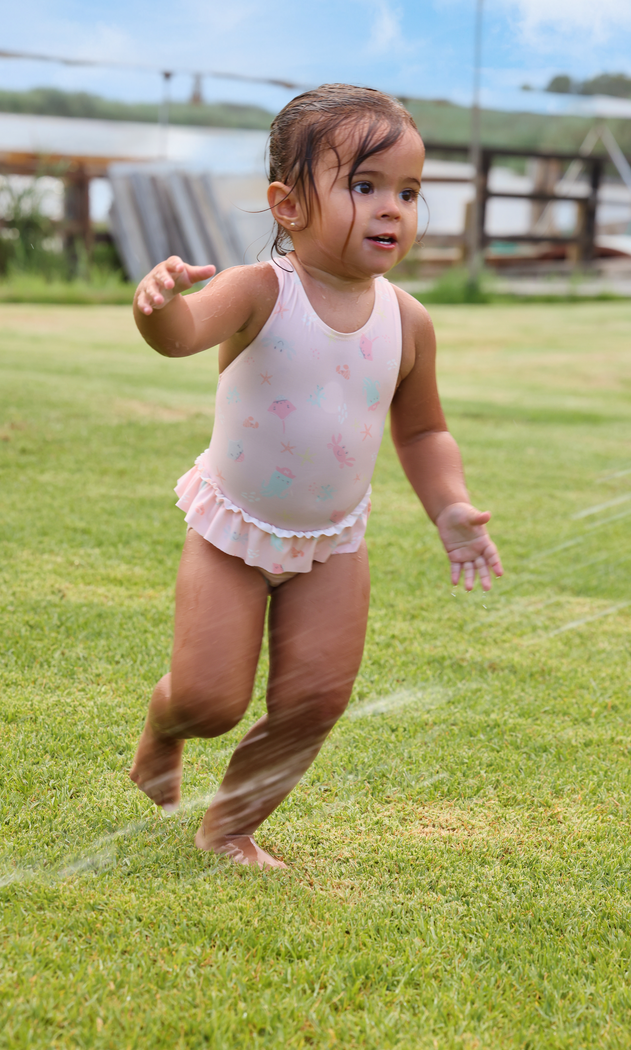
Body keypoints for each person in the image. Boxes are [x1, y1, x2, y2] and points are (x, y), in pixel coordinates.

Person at [129, 84, 503, 870]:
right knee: (209, 700)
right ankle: (165, 726)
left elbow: (424, 427)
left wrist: (451, 507)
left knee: (315, 698)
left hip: (334, 541)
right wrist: (157, 307)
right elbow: (182, 334)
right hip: (234, 528)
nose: (392, 209)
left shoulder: (407, 319)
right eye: (364, 187)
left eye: (407, 192)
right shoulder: (261, 291)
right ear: (288, 205)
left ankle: (231, 825)